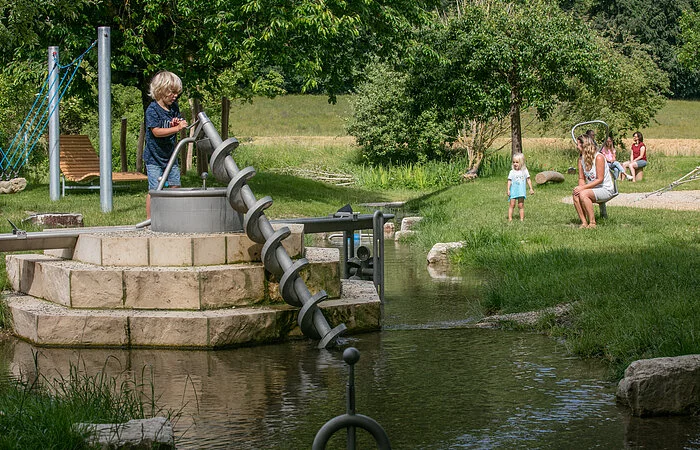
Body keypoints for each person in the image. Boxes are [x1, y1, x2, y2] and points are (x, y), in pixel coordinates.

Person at [144, 71, 188, 218]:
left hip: (171, 155)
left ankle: (172, 217)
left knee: (175, 186)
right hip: (154, 158)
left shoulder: (174, 107)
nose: (175, 96)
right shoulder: (152, 110)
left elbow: (177, 120)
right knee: (155, 190)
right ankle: (150, 220)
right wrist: (176, 128)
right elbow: (156, 131)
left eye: (177, 93)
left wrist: (177, 122)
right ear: (161, 90)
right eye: (172, 92)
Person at [572, 134, 616, 229]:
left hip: (605, 189)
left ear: (584, 145)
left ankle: (592, 223)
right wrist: (579, 188)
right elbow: (581, 178)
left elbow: (599, 179)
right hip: (592, 188)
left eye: (578, 144)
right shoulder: (581, 159)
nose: (577, 146)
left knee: (584, 194)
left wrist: (583, 189)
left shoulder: (599, 157)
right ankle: (584, 222)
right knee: (576, 194)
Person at [506, 152, 535, 222]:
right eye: (514, 162)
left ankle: (521, 219)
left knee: (520, 205)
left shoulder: (524, 171)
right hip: (513, 191)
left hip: (521, 191)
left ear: (521, 163)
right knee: (512, 204)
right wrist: (508, 190)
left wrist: (531, 188)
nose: (515, 164)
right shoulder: (512, 172)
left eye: (517, 162)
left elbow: (528, 179)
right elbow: (509, 181)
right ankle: (510, 219)